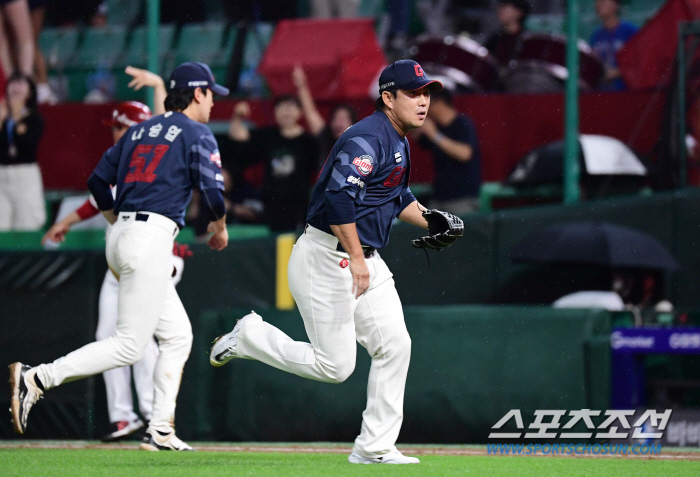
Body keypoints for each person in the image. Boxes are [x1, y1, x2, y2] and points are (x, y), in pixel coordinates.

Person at [210, 60, 463, 464]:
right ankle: (250, 337)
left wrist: (431, 218)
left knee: (395, 345)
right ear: (387, 97)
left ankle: (374, 446)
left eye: (426, 92)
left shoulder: (396, 139)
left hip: (362, 258)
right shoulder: (367, 138)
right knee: (335, 367)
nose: (423, 101)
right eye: (413, 93)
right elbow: (338, 201)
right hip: (327, 258)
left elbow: (394, 196)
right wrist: (359, 259)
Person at [9, 62, 230, 452]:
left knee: (178, 336)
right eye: (211, 93)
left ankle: (160, 429)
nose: (213, 102)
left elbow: (96, 181)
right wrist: (221, 228)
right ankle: (38, 377)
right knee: (129, 344)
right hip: (150, 236)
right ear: (198, 93)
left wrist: (118, 220)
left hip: (125, 232)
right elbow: (213, 196)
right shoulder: (198, 132)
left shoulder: (140, 130)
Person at [41, 99, 190, 442]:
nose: (117, 133)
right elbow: (96, 197)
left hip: (153, 254)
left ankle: (156, 417)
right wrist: (64, 222)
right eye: (116, 127)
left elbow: (167, 116)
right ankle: (124, 416)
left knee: (144, 342)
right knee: (113, 338)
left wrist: (154, 87)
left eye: (121, 126)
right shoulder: (124, 160)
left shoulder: (155, 154)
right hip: (124, 259)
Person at [228, 95, 318, 232]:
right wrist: (237, 116)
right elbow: (238, 135)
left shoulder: (308, 142)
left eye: (291, 107)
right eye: (281, 107)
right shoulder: (268, 136)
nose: (286, 112)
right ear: (275, 113)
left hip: (299, 206)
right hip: (271, 204)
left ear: (300, 112)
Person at [413, 88, 481, 215]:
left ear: (438, 103)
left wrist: (435, 135)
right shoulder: (436, 127)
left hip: (462, 199)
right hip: (439, 197)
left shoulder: (463, 124)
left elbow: (465, 154)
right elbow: (417, 138)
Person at [0, 73, 44, 230]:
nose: (16, 87)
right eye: (13, 83)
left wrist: (18, 119)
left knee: (27, 223)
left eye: (21, 84)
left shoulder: (34, 118)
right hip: (2, 174)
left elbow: (28, 144)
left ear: (30, 91)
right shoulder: (3, 117)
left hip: (24, 174)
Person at [292, 65, 357, 165]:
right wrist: (301, 85)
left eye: (345, 118)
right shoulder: (324, 139)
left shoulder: (363, 145)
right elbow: (310, 112)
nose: (339, 122)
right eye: (336, 118)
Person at [589, 0, 638, 92]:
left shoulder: (630, 31)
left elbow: (640, 61)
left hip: (626, 92)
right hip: (602, 92)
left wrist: (618, 72)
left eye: (603, 1)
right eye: (597, 2)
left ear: (615, 5)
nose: (599, 5)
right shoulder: (596, 36)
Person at [484, 0, 530, 67]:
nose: (500, 9)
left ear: (518, 12)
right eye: (500, 5)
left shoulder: (527, 41)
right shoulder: (494, 39)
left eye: (505, 5)